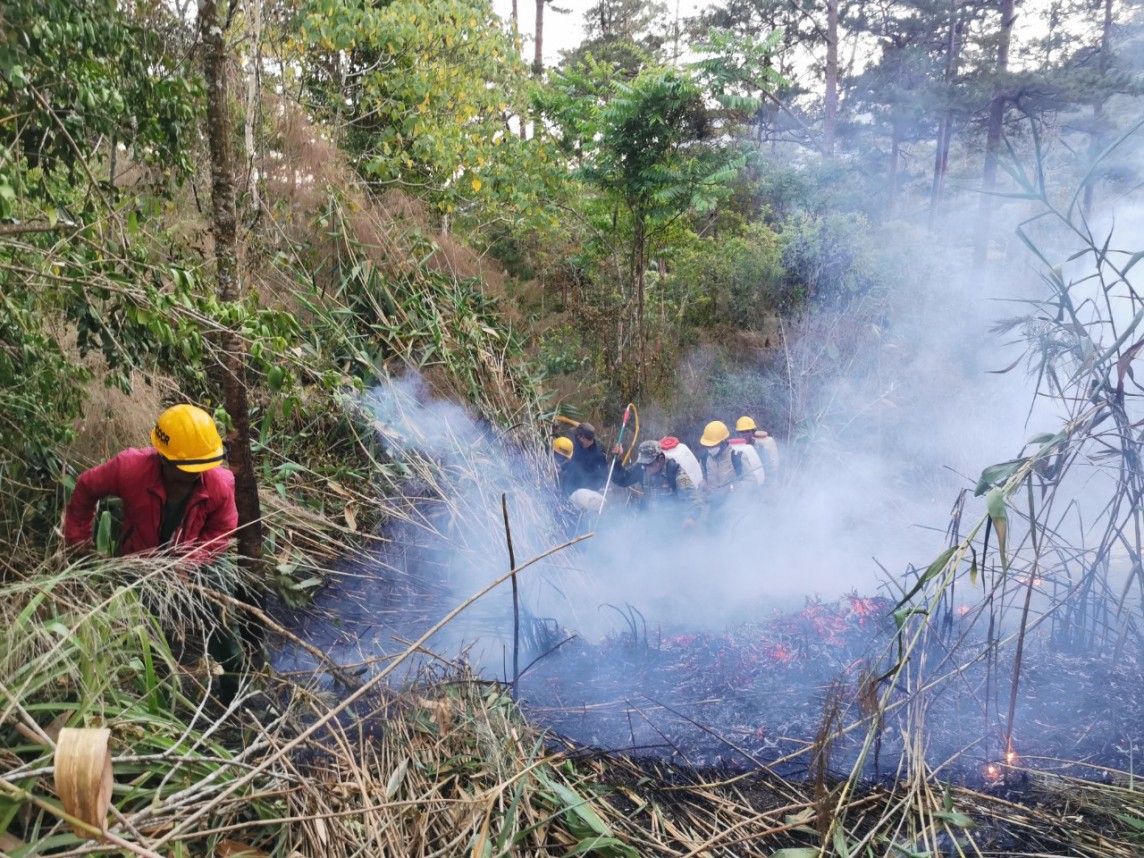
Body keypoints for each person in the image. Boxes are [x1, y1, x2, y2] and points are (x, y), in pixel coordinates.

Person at [64, 404, 238, 562]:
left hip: (190, 564)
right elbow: (86, 486)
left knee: (222, 577)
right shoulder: (130, 469)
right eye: (192, 465)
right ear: (164, 459)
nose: (200, 470)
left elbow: (221, 529)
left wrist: (190, 561)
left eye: (204, 463)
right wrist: (77, 538)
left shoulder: (220, 484)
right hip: (137, 560)